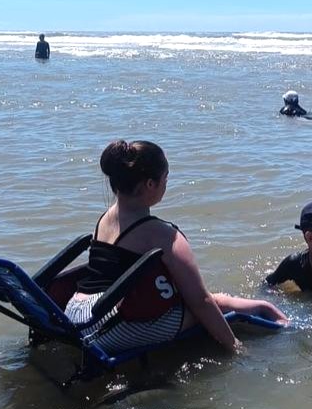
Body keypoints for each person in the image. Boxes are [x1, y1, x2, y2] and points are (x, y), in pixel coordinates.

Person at [65, 140, 288, 354]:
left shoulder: (104, 219)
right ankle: (265, 309)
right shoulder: (163, 235)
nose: (166, 184)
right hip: (107, 327)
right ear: (150, 184)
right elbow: (201, 302)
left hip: (75, 313)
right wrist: (235, 347)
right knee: (212, 304)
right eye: (165, 178)